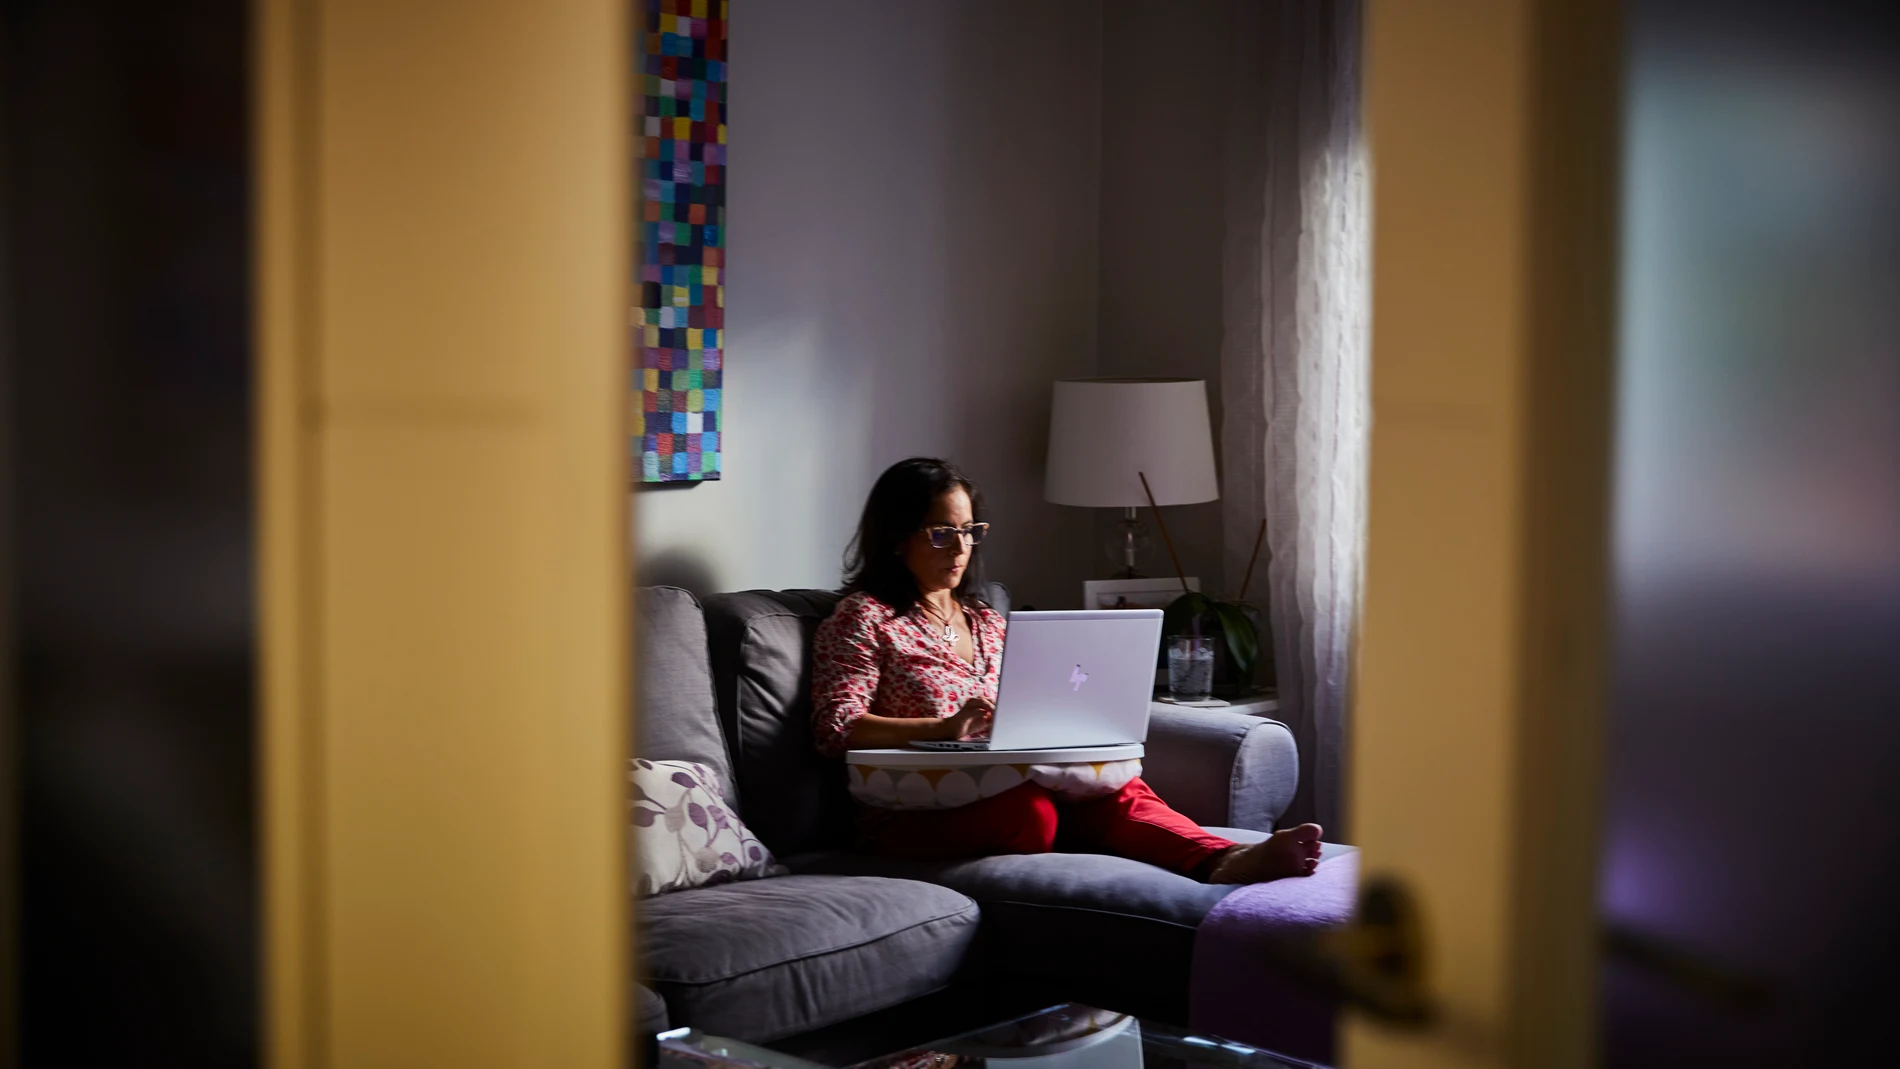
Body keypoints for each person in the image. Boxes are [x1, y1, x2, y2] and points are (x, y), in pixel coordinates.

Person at [811, 457, 1323, 883]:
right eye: (943, 533)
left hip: (1011, 778)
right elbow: (835, 730)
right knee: (1032, 814)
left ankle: (1225, 859)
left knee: (1116, 788)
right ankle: (1106, 832)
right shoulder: (865, 617)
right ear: (898, 538)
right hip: (915, 806)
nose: (962, 548)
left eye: (970, 532)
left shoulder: (986, 619)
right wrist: (943, 729)